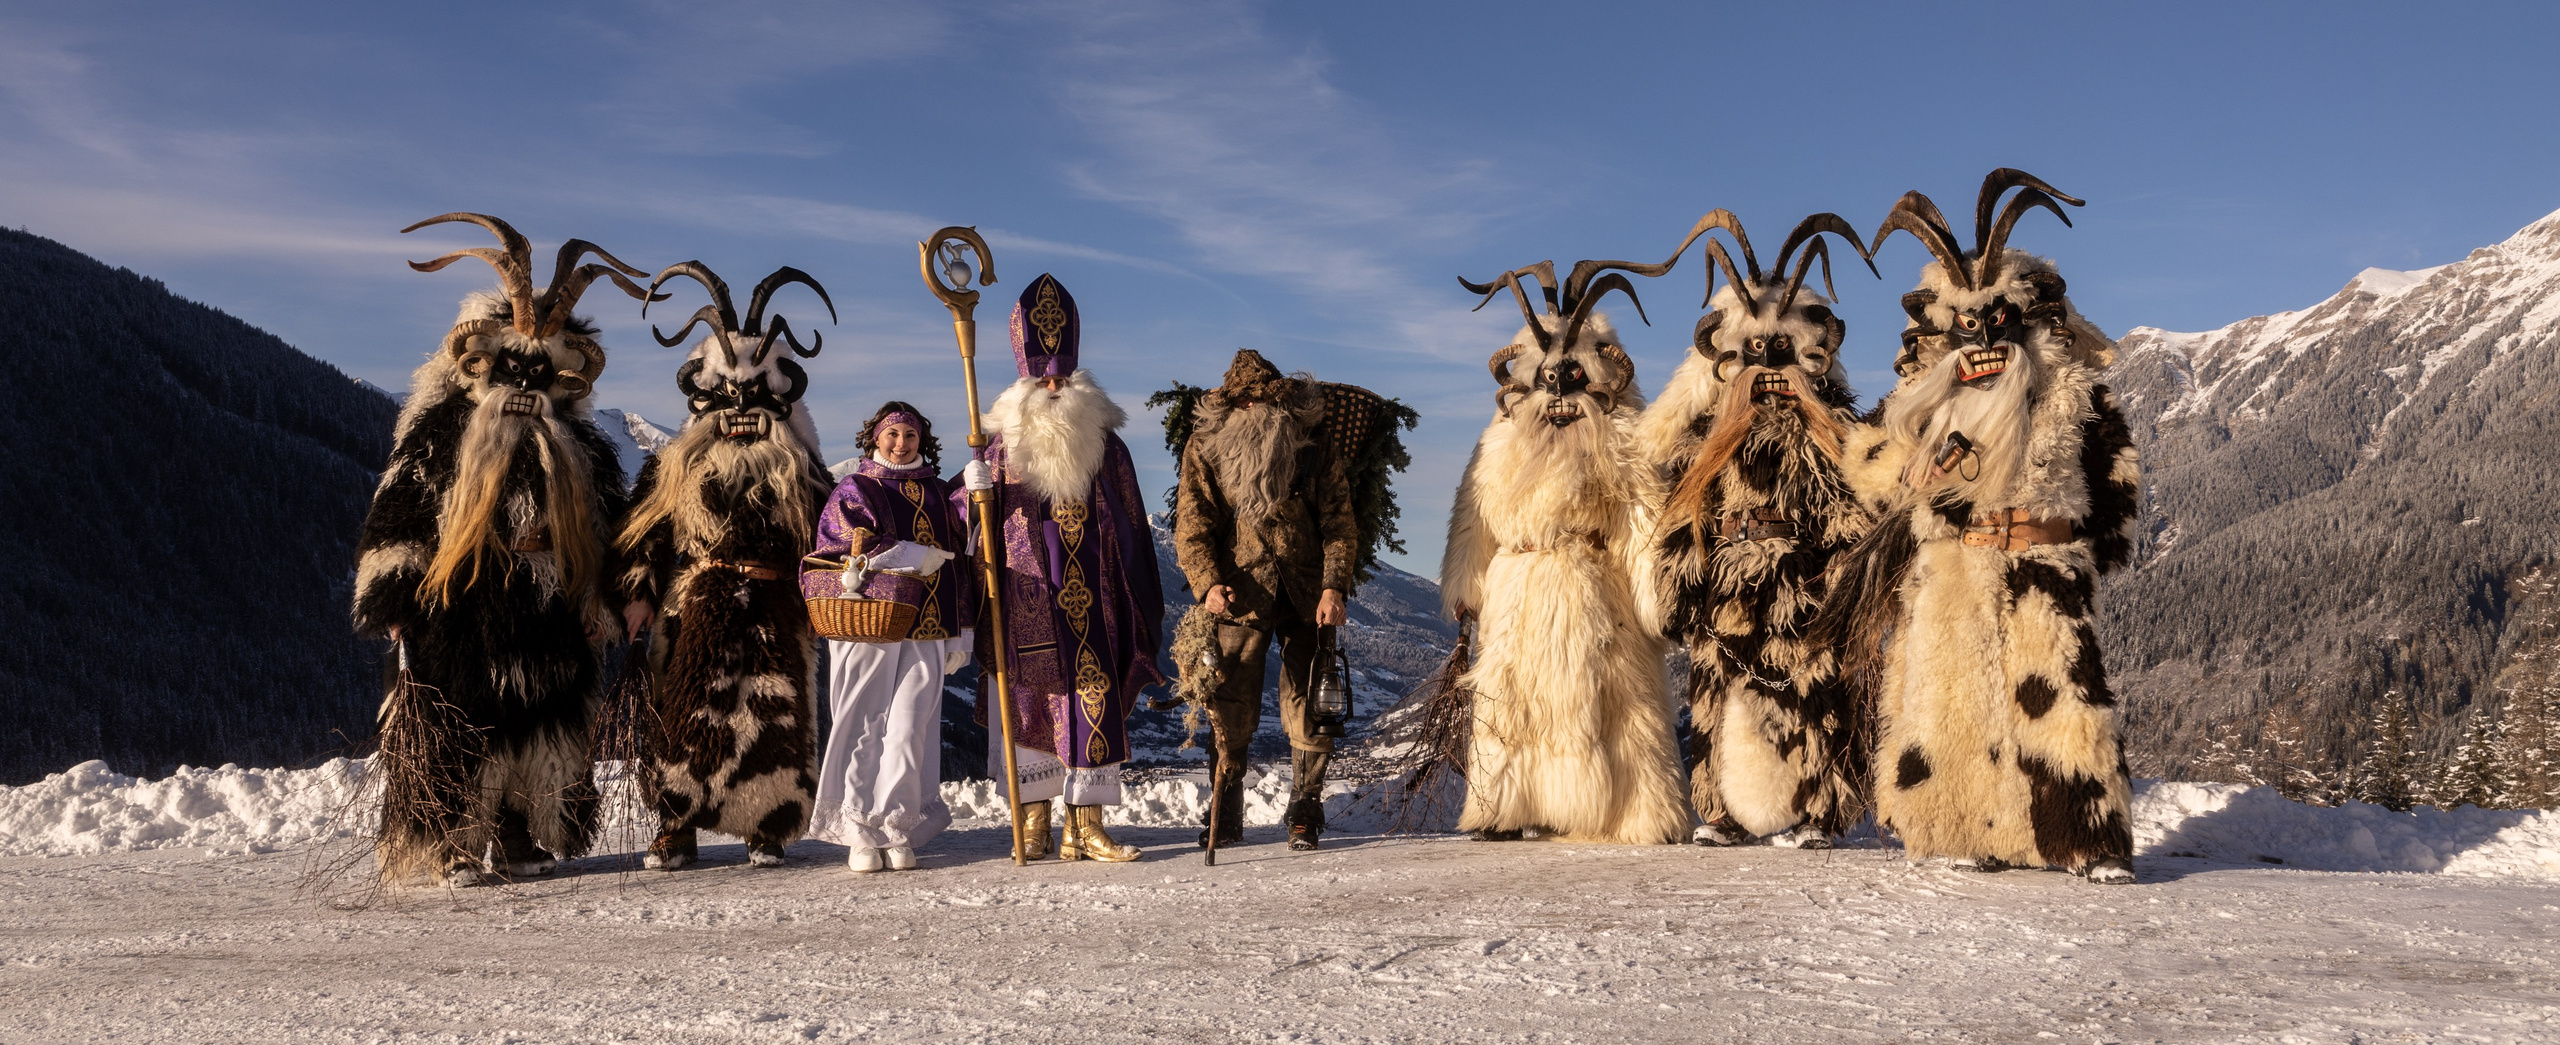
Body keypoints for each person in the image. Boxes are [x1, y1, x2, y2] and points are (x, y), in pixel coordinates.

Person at [1830, 170, 2140, 883]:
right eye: (1967, 325)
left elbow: (2114, 473)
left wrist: (2092, 553)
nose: (1984, 339)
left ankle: (2085, 836)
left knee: (2062, 702)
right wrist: (1916, 459)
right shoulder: (1920, 401)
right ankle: (1959, 826)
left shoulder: (2069, 389)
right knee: (1954, 708)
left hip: (2042, 562)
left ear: (2025, 317)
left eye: (1998, 321)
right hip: (1955, 571)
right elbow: (1868, 467)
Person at [353, 213, 643, 884]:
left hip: (551, 603)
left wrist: (613, 597)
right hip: (462, 598)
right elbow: (400, 513)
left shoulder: (584, 449)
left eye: (539, 373)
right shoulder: (441, 433)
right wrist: (396, 595)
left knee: (542, 719)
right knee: (461, 719)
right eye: (512, 369)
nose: (523, 387)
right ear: (479, 363)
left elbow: (613, 528)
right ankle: (453, 842)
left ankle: (518, 833)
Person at [1634, 212, 1878, 848]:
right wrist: (1678, 586)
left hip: (1801, 578)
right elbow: (1684, 517)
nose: (1768, 365)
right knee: (1719, 685)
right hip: (1726, 578)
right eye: (1753, 352)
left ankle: (1818, 809)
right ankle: (1723, 810)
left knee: (1812, 686)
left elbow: (1847, 513)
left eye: (1782, 350)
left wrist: (1846, 585)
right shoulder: (1706, 437)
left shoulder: (1830, 430)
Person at [1438, 260, 1691, 846]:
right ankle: (1506, 805)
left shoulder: (1621, 433)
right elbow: (1473, 513)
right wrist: (1466, 582)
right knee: (1511, 698)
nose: (1558, 394)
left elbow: (1643, 516)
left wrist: (1655, 595)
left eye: (1572, 376)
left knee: (1611, 699)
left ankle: (1627, 810)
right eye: (1548, 378)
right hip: (1517, 587)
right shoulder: (1500, 437)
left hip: (1595, 587)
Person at [615, 261, 835, 870]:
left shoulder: (803, 472)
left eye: (755, 397)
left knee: (774, 713)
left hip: (775, 603)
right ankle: (676, 823)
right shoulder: (675, 467)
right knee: (684, 710)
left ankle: (766, 823)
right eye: (726, 396)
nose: (740, 412)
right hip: (694, 602)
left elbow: (831, 537)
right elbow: (644, 533)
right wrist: (638, 592)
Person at [964, 273, 1167, 862]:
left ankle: (1087, 826)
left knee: (1091, 698)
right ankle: (1033, 823)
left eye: (1061, 379)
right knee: (1029, 701)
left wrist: (1134, 595)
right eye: (1042, 379)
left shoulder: (1107, 446)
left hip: (1093, 599)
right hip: (1025, 597)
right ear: (1024, 386)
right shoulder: (998, 450)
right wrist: (970, 491)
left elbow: (1132, 526)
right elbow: (971, 524)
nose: (1053, 388)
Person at [1172, 350, 1356, 850]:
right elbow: (1192, 522)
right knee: (1229, 704)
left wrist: (1333, 586)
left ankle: (1305, 810)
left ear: (1278, 400)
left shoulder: (1311, 440)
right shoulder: (1206, 444)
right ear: (1229, 403)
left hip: (1307, 593)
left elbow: (1339, 521)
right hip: (1238, 594)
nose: (1251, 408)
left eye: (1259, 399)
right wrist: (1208, 583)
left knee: (1312, 702)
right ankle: (1226, 809)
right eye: (1242, 401)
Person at [804, 402, 977, 873]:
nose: (901, 444)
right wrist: (911, 555)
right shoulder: (856, 488)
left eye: (910, 435)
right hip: (870, 624)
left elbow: (963, 561)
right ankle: (859, 830)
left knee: (909, 730)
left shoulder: (939, 493)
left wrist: (962, 630)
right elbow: (841, 547)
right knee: (864, 726)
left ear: (923, 440)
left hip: (928, 627)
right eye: (892, 434)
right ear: (875, 439)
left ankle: (896, 825)